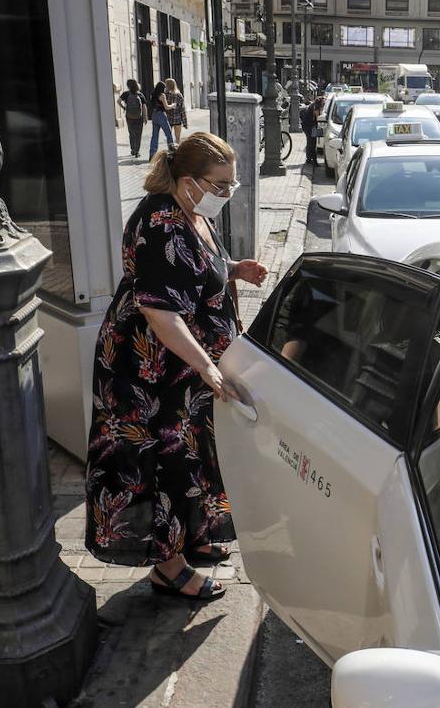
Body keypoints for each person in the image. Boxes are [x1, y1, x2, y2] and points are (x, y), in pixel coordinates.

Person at [85, 132, 269, 601]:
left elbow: (194, 267)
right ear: (189, 182)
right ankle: (168, 566)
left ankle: (192, 537)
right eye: (221, 184)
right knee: (160, 462)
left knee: (191, 454)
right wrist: (208, 366)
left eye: (233, 183)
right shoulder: (160, 222)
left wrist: (233, 270)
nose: (228, 193)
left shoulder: (192, 212)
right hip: (149, 371)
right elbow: (160, 312)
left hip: (181, 369)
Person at [118, 79, 147, 158]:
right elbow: (144, 107)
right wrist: (145, 117)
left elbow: (118, 101)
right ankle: (137, 151)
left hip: (129, 116)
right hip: (139, 117)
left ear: (128, 86)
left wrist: (124, 107)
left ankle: (133, 149)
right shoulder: (140, 94)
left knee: (131, 133)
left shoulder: (126, 94)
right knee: (138, 134)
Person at [148, 81, 174, 160]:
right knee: (168, 133)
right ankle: (172, 151)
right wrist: (173, 105)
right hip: (161, 115)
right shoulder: (162, 95)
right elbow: (166, 107)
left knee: (155, 136)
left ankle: (152, 154)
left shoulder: (152, 94)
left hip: (154, 115)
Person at [300, 96, 323, 168]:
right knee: (312, 143)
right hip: (309, 126)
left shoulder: (313, 105)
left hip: (308, 125)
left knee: (310, 142)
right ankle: (314, 161)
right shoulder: (315, 107)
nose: (324, 104)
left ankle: (309, 159)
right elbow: (318, 117)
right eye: (323, 103)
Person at [164, 77, 189, 142]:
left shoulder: (165, 95)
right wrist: (185, 123)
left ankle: (170, 150)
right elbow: (182, 110)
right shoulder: (179, 95)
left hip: (168, 119)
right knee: (178, 138)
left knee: (169, 137)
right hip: (177, 119)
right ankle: (178, 150)